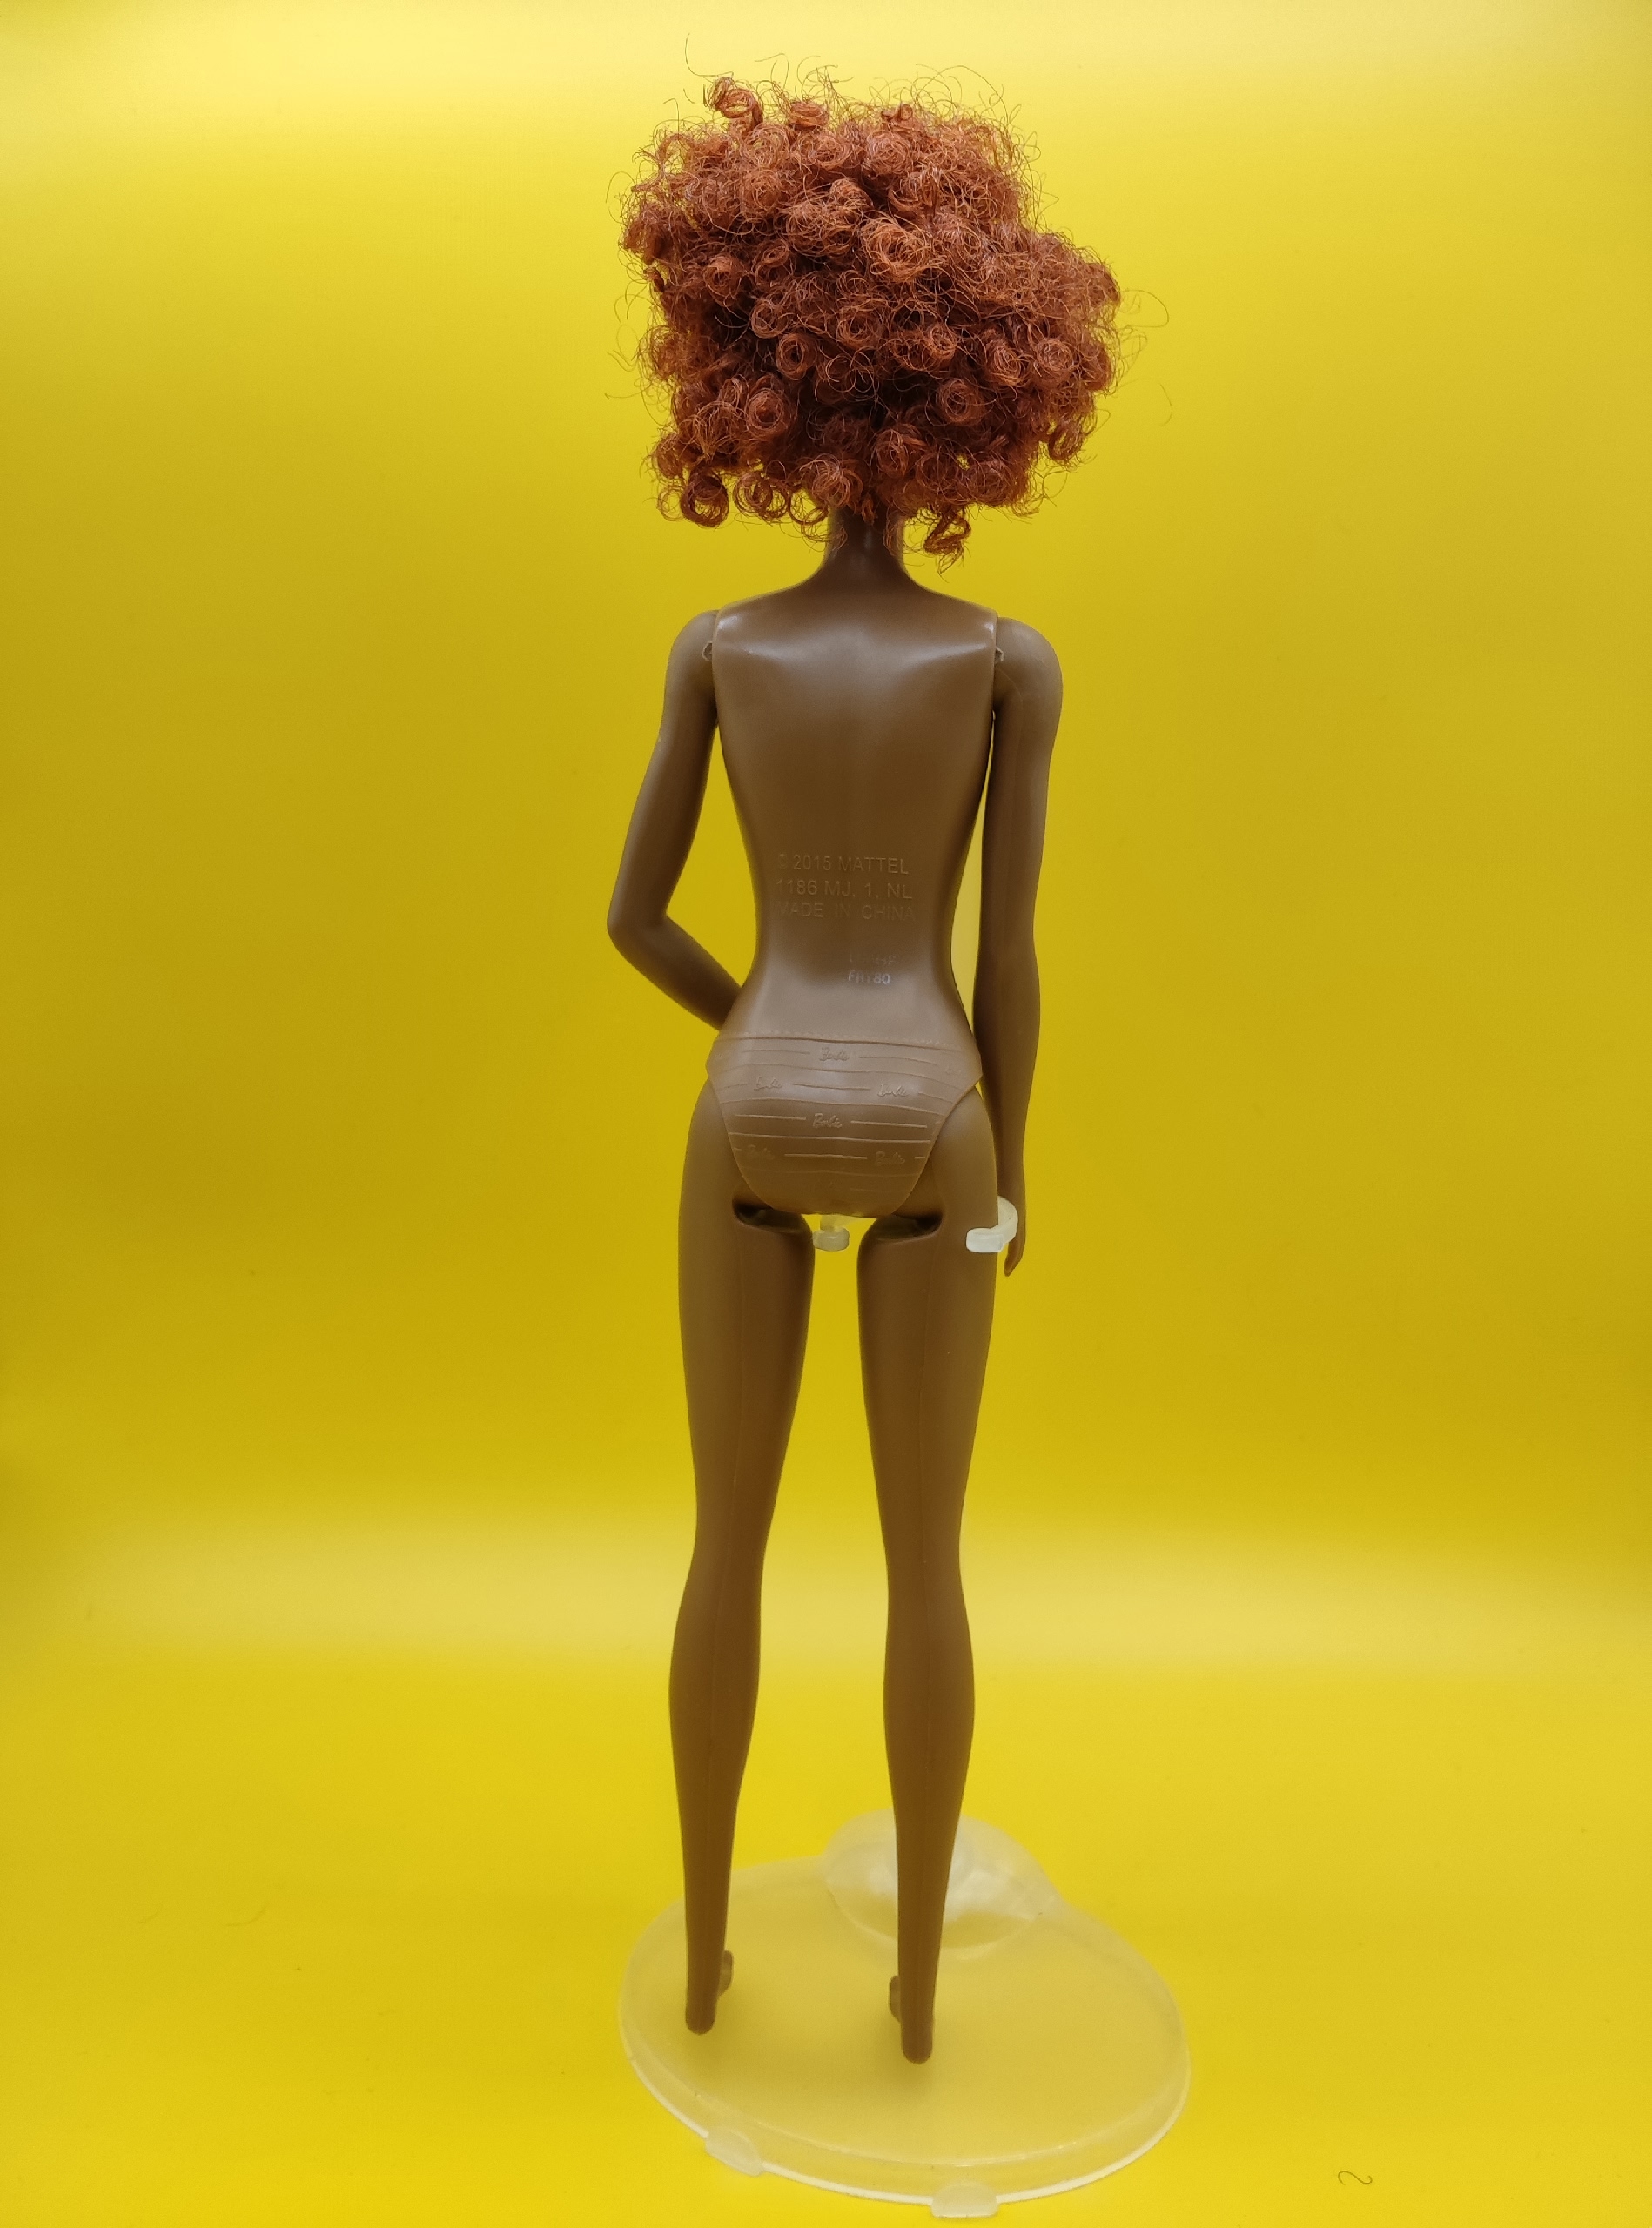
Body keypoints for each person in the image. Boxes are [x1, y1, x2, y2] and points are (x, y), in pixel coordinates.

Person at [608, 76, 1119, 2064]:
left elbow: (632, 920)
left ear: (742, 379)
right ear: (986, 391)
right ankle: (910, 1997)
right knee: (927, 1559)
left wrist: (758, 1013)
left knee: (721, 1543)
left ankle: (707, 1965)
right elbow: (1007, 956)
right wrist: (1007, 1173)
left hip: (751, 1091)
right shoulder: (1001, 658)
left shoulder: (716, 643)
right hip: (933, 1103)